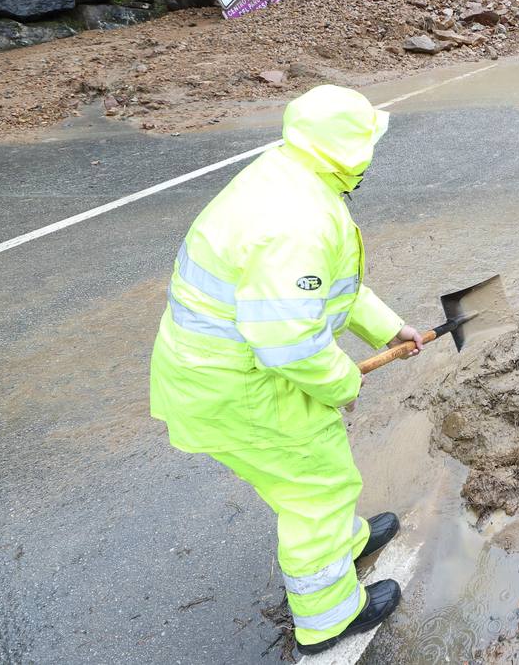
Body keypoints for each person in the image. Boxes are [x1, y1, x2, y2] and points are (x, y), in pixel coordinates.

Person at [150, 85, 423, 655]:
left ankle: (344, 543)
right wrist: (344, 382)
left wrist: (386, 327)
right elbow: (288, 342)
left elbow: (324, 291)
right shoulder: (299, 221)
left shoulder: (286, 172)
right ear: (347, 151)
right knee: (315, 489)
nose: (373, 152)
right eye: (368, 142)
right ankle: (328, 617)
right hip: (244, 387)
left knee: (310, 473)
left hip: (217, 373)